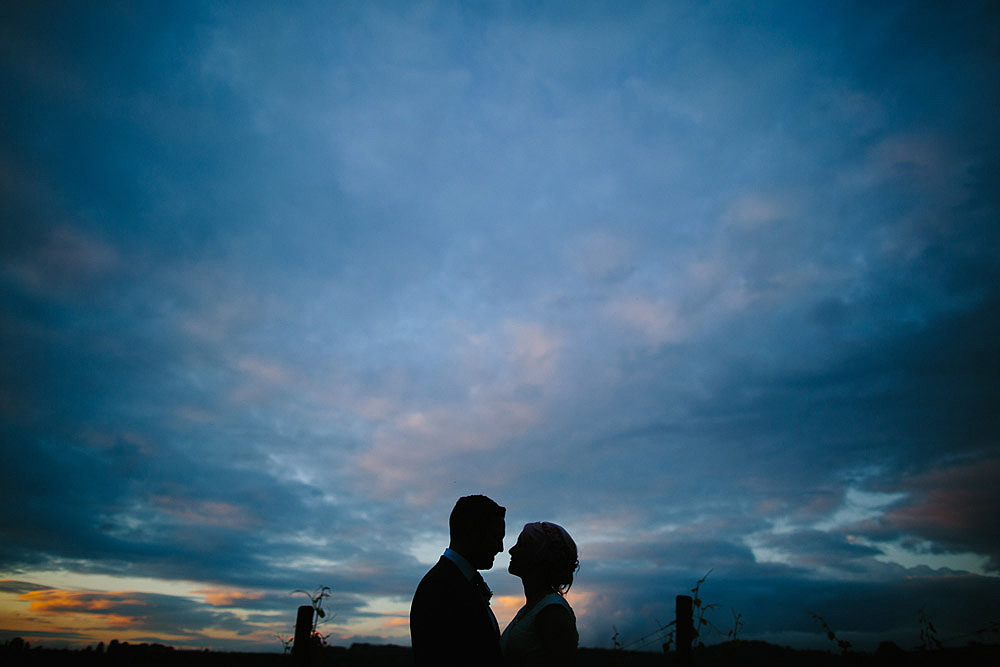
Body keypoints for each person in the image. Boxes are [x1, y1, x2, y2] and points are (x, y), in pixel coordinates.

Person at [410, 495, 506, 667]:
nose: (500, 548)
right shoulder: (438, 587)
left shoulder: (455, 581)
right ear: (472, 532)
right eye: (495, 537)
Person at [501, 522, 580, 667]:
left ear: (538, 556)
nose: (511, 550)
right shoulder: (532, 607)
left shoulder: (553, 612)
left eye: (521, 545)